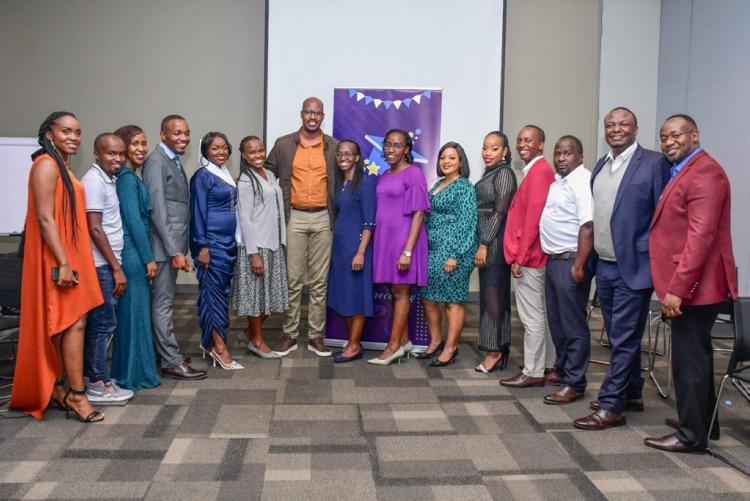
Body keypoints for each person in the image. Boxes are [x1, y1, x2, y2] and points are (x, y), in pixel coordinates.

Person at [644, 114, 737, 452]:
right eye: (663, 137)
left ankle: (691, 436)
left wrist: (678, 289)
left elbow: (701, 238)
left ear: (694, 135)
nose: (669, 142)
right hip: (693, 285)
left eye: (676, 135)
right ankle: (702, 422)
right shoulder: (685, 170)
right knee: (697, 354)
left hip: (696, 288)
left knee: (689, 360)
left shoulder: (705, 172)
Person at [574, 108, 669, 430]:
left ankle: (611, 406)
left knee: (625, 336)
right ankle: (632, 393)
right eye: (610, 125)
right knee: (618, 334)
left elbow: (664, 217)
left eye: (623, 124)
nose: (616, 129)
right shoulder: (602, 165)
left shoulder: (653, 163)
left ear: (636, 129)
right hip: (605, 265)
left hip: (635, 266)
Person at [10, 111, 104, 422]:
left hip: (71, 253)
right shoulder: (46, 164)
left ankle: (61, 387)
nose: (73, 137)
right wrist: (63, 261)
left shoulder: (61, 165)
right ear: (49, 134)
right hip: (59, 256)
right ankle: (77, 394)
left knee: (69, 324)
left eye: (77, 132)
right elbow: (44, 218)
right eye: (66, 131)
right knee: (73, 323)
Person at [265, 97, 337, 357]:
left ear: (322, 116)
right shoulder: (284, 144)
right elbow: (266, 172)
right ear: (301, 114)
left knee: (319, 281)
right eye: (308, 111)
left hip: (323, 218)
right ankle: (290, 334)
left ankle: (316, 335)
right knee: (293, 280)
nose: (312, 116)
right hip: (293, 216)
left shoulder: (333, 146)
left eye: (317, 112)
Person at [142, 114, 206, 380]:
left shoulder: (172, 160)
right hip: (163, 248)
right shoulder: (156, 162)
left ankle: (163, 353)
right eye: (177, 133)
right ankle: (170, 361)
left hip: (170, 246)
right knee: (163, 305)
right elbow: (157, 211)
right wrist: (175, 251)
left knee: (161, 303)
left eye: (186, 133)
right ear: (163, 135)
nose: (184, 138)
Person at [499, 125, 557, 388]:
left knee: (531, 317)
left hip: (530, 259)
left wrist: (520, 257)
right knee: (539, 314)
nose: (522, 144)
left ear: (541, 144)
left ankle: (533, 371)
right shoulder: (534, 170)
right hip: (532, 257)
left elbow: (534, 219)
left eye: (529, 140)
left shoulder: (540, 171)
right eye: (520, 140)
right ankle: (546, 364)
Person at [80, 133, 134, 404]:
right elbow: (94, 228)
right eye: (111, 153)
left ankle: (98, 377)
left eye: (121, 154)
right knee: (102, 324)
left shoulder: (107, 179)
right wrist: (115, 268)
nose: (118, 159)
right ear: (97, 153)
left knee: (104, 323)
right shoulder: (93, 181)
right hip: (101, 265)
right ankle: (97, 384)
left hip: (108, 263)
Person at [539, 136, 594, 405]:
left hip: (571, 261)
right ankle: (563, 370)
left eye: (568, 153)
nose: (561, 158)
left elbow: (588, 225)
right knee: (557, 322)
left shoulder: (582, 180)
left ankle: (575, 382)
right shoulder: (559, 182)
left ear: (580, 157)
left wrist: (579, 266)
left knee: (573, 325)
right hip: (554, 260)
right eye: (558, 153)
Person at [369, 128, 430, 365]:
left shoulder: (413, 173)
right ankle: (404, 342)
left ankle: (393, 347)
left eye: (397, 145)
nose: (390, 149)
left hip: (404, 240)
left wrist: (407, 251)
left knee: (402, 292)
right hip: (386, 240)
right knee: (395, 292)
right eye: (387, 144)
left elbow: (419, 214)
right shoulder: (385, 174)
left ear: (406, 149)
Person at [111, 125, 161, 391]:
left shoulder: (131, 176)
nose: (141, 149)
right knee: (134, 317)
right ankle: (131, 376)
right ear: (123, 148)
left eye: (143, 143)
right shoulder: (127, 179)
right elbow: (133, 221)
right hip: (133, 255)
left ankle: (135, 372)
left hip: (135, 253)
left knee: (137, 315)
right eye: (135, 144)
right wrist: (148, 258)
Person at [418, 142, 477, 367]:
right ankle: (436, 341)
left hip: (454, 250)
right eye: (443, 157)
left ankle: (451, 348)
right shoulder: (438, 184)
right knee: (429, 298)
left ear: (461, 161)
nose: (446, 161)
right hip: (432, 249)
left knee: (453, 301)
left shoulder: (464, 187)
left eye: (452, 157)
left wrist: (455, 255)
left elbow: (467, 223)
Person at [189, 132, 242, 370]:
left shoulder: (224, 173)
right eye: (215, 148)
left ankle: (209, 342)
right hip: (211, 243)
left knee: (219, 293)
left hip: (227, 242)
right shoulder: (202, 176)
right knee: (213, 295)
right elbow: (198, 213)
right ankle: (219, 348)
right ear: (206, 152)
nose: (221, 152)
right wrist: (202, 246)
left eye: (224, 147)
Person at [231, 136, 287, 358]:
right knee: (255, 298)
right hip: (257, 246)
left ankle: (248, 333)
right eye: (252, 152)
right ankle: (256, 341)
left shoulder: (270, 174)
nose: (257, 155)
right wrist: (253, 254)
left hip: (274, 243)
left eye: (260, 150)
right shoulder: (245, 181)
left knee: (271, 296)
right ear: (244, 155)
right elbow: (245, 219)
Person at [327, 140, 376, 363]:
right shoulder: (342, 183)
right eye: (340, 154)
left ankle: (354, 345)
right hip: (341, 250)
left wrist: (361, 253)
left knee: (356, 298)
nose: (343, 158)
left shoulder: (364, 184)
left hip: (356, 250)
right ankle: (352, 342)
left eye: (348, 154)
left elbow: (369, 223)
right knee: (346, 296)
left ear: (357, 157)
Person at [474, 131, 518, 373]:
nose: (487, 153)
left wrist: (484, 244)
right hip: (488, 242)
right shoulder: (490, 173)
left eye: (494, 148)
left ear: (505, 151)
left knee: (494, 297)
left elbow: (500, 212)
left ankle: (495, 351)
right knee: (491, 296)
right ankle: (497, 347)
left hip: (495, 245)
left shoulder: (504, 174)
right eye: (485, 147)